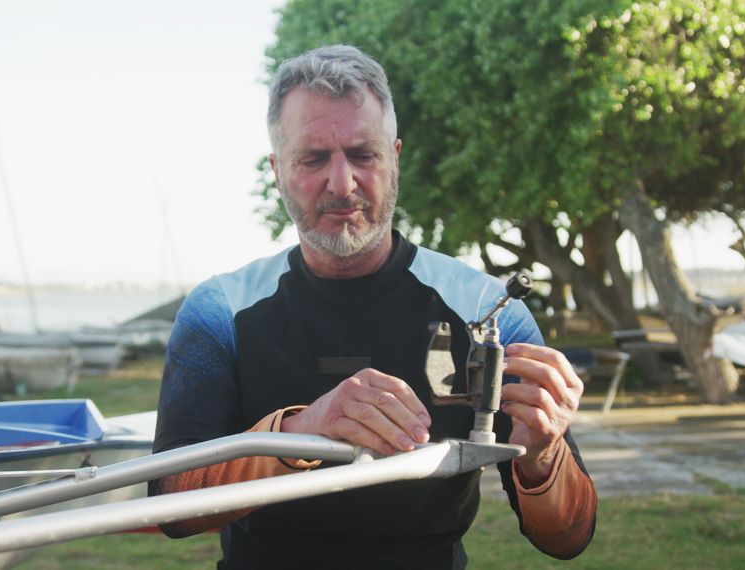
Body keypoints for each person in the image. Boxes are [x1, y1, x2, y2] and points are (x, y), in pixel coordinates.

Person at [150, 44, 596, 569]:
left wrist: (544, 454)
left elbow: (566, 538)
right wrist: (300, 431)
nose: (342, 184)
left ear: (395, 157)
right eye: (313, 158)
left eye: (363, 154)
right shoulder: (220, 309)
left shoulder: (486, 309)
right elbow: (172, 505)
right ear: (276, 170)